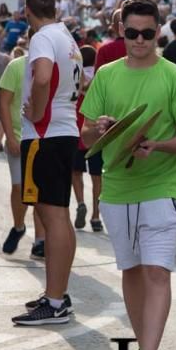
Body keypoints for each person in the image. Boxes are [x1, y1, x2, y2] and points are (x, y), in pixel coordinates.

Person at [80, 0, 176, 350]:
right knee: (130, 271)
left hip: (161, 188)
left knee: (156, 271)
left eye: (148, 34)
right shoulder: (107, 74)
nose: (140, 40)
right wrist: (99, 127)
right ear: (121, 31)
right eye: (132, 33)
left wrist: (159, 146)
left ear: (158, 32)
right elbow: (84, 136)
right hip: (116, 188)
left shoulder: (175, 77)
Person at [12, 0, 84, 326]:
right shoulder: (66, 36)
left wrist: (37, 112)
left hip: (45, 134)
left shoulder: (42, 37)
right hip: (64, 131)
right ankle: (57, 294)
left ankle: (55, 302)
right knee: (59, 216)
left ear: (27, 9)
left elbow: (42, 77)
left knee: (51, 216)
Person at [0, 46, 44, 257]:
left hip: (45, 138)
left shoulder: (54, 67)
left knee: (41, 192)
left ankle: (40, 241)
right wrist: (10, 135)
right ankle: (18, 227)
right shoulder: (16, 67)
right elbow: (4, 103)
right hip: (20, 136)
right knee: (19, 188)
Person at [71, 46, 101, 230]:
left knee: (76, 172)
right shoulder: (100, 78)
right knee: (97, 176)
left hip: (75, 130)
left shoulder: (74, 77)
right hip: (95, 131)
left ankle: (80, 202)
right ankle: (96, 216)